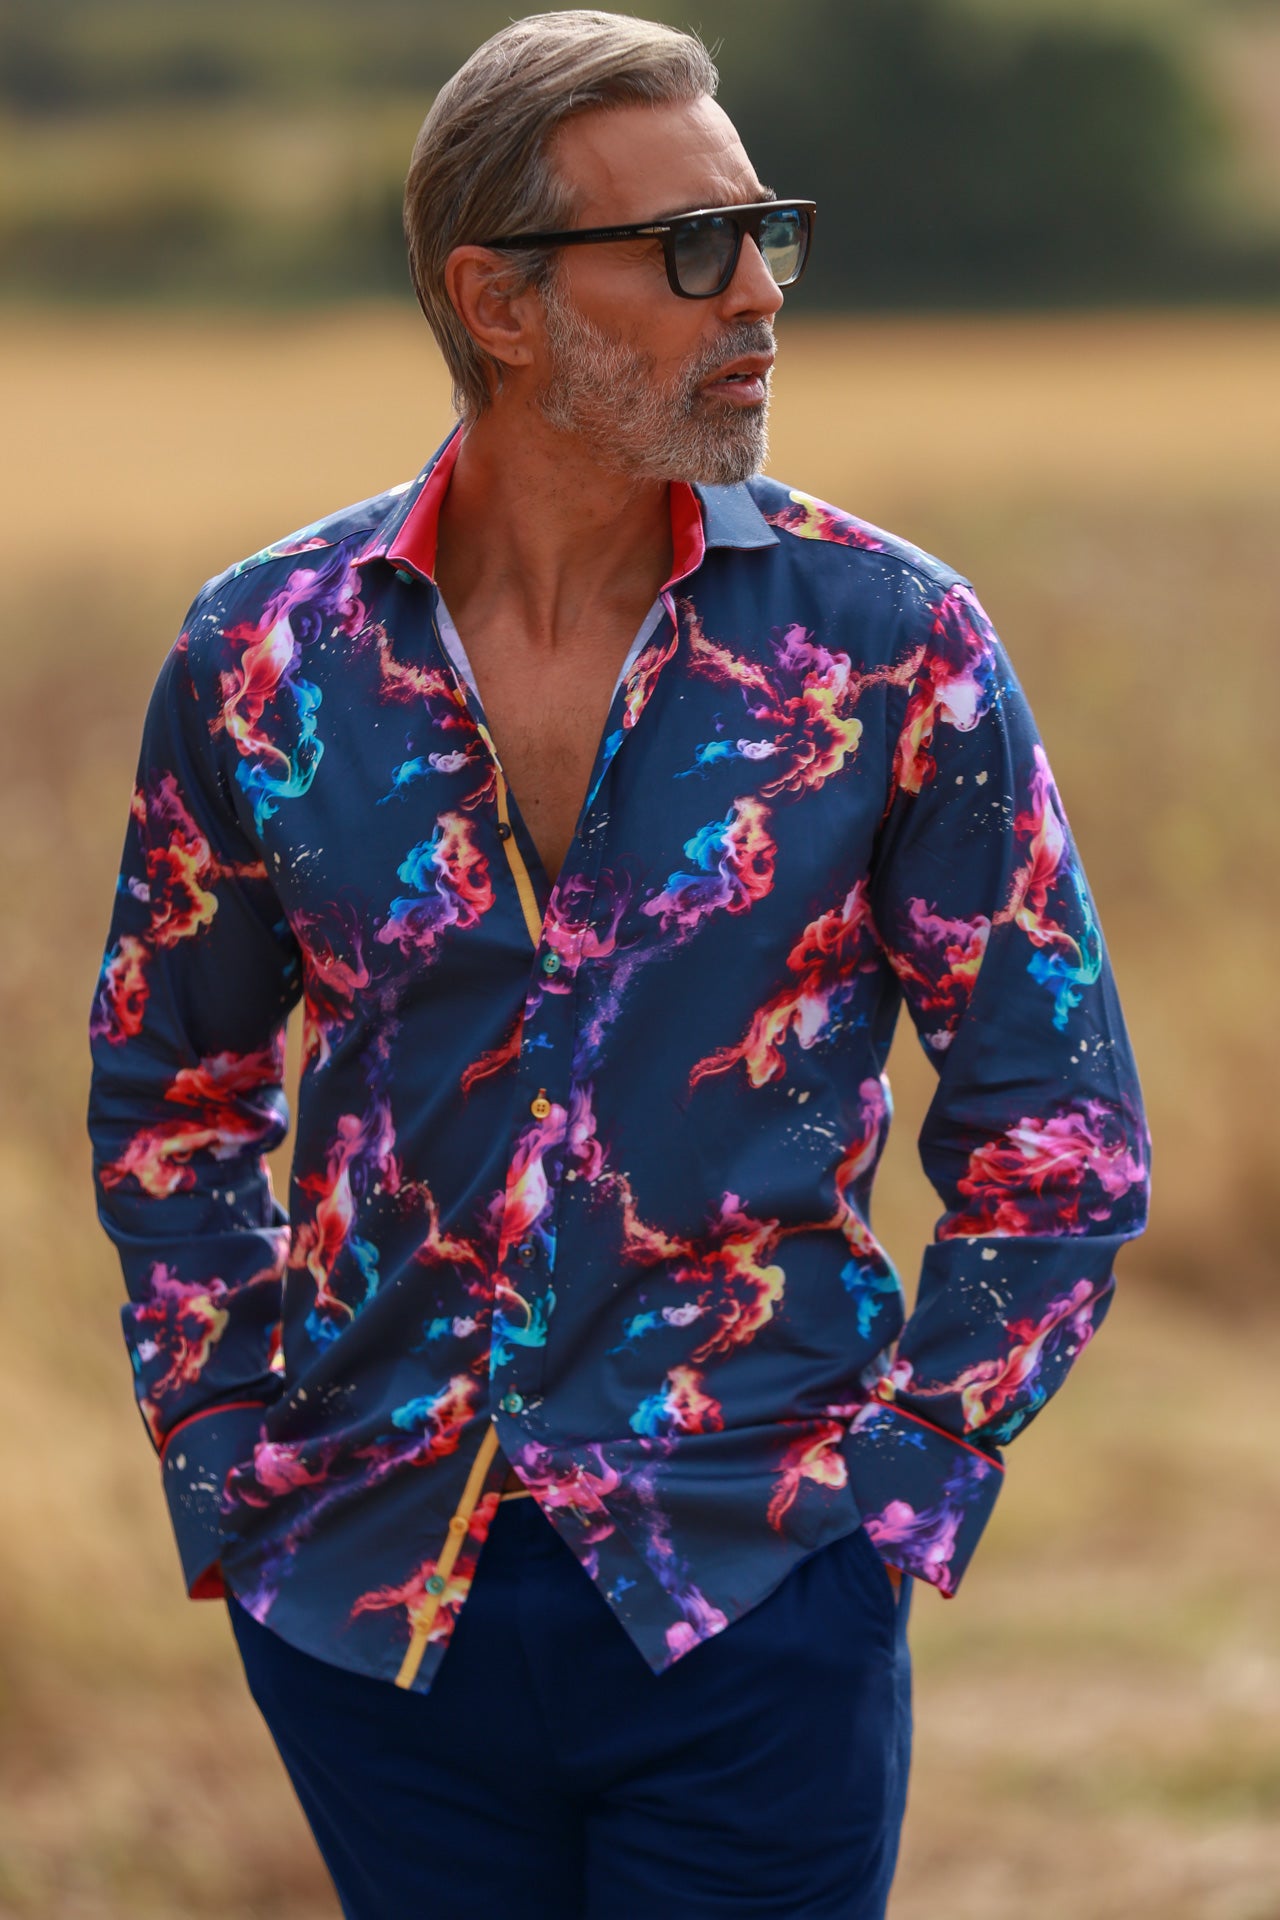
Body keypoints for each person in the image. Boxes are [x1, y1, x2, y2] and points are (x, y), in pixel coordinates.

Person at [87, 11, 1149, 1917]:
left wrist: (896, 1490)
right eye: (688, 247)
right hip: (370, 1597)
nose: (754, 295)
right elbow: (172, 1098)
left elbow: (1056, 1129)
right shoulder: (266, 661)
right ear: (495, 300)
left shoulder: (887, 646)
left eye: (764, 235)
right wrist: (229, 1455)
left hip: (751, 1581)